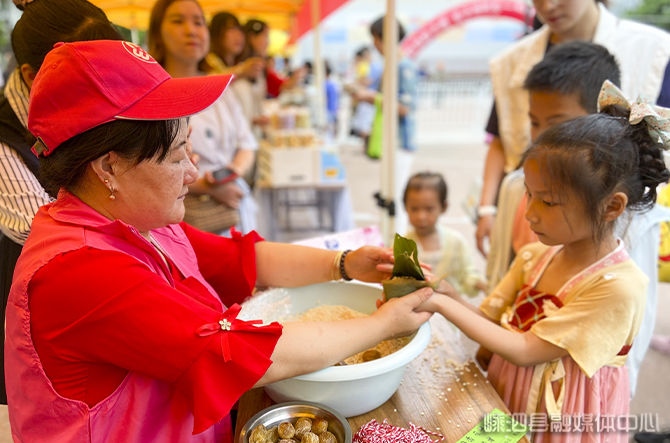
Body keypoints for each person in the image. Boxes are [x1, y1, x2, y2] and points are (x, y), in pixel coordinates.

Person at [5, 39, 433, 441]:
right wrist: (381, 324)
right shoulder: (78, 269)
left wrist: (344, 263)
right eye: (176, 157)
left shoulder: (137, 220)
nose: (194, 172)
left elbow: (242, 259)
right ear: (108, 167)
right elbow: (227, 351)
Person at [423, 103, 670, 440]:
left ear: (611, 206)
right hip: (510, 389)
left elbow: (525, 350)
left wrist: (440, 305)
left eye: (548, 202)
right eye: (529, 195)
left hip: (564, 413)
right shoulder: (534, 256)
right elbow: (491, 323)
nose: (530, 213)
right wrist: (444, 291)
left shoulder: (618, 287)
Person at [488, 41, 670, 396]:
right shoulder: (520, 190)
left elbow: (633, 324)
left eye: (558, 124)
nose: (543, 137)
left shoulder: (633, 236)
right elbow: (505, 276)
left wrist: (613, 396)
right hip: (511, 375)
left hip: (568, 396)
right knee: (496, 428)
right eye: (534, 122)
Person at [475, 0, 670, 257]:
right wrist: (486, 208)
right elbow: (501, 137)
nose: (548, 6)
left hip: (618, 227)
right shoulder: (512, 61)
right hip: (534, 218)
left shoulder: (653, 51)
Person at [0, 0, 123, 405]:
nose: (101, 87)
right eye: (85, 75)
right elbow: (49, 233)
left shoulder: (92, 106)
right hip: (37, 319)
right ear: (31, 76)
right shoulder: (6, 144)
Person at [148, 0, 259, 234]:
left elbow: (246, 143)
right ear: (158, 31)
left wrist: (230, 174)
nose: (191, 30)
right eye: (178, 21)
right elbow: (148, 167)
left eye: (198, 22)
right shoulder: (150, 93)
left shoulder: (220, 88)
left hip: (234, 209)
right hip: (179, 223)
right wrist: (207, 187)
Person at [354, 15, 418, 235]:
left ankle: (395, 244)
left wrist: (374, 98)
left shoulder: (403, 66)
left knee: (396, 197)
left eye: (376, 39)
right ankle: (390, 238)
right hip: (391, 141)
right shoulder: (391, 65)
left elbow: (405, 107)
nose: (374, 45)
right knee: (390, 194)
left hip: (400, 141)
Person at [403, 172, 486, 298]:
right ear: (405, 207)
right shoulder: (403, 245)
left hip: (450, 311)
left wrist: (483, 285)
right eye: (414, 209)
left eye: (429, 209)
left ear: (443, 207)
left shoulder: (456, 242)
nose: (421, 216)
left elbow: (469, 275)